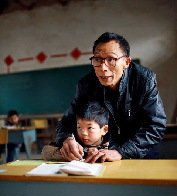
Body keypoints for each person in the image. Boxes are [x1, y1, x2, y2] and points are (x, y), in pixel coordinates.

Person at [56, 32, 166, 163]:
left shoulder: (144, 80)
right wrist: (67, 138)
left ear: (126, 62)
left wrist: (121, 152)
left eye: (111, 59)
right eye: (97, 59)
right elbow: (68, 120)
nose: (103, 68)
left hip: (141, 154)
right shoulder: (86, 84)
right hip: (102, 154)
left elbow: (155, 126)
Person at [41, 101, 110, 162]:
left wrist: (98, 154)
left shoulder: (111, 144)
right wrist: (82, 153)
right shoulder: (74, 143)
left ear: (104, 130)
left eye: (90, 128)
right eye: (79, 127)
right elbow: (45, 152)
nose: (83, 133)